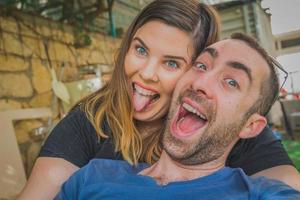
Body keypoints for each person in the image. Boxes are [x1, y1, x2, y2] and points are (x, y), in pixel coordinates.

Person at [18, 0, 299, 199]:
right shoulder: (90, 129)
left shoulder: (228, 128)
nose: (146, 73)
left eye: (172, 64)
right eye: (140, 50)